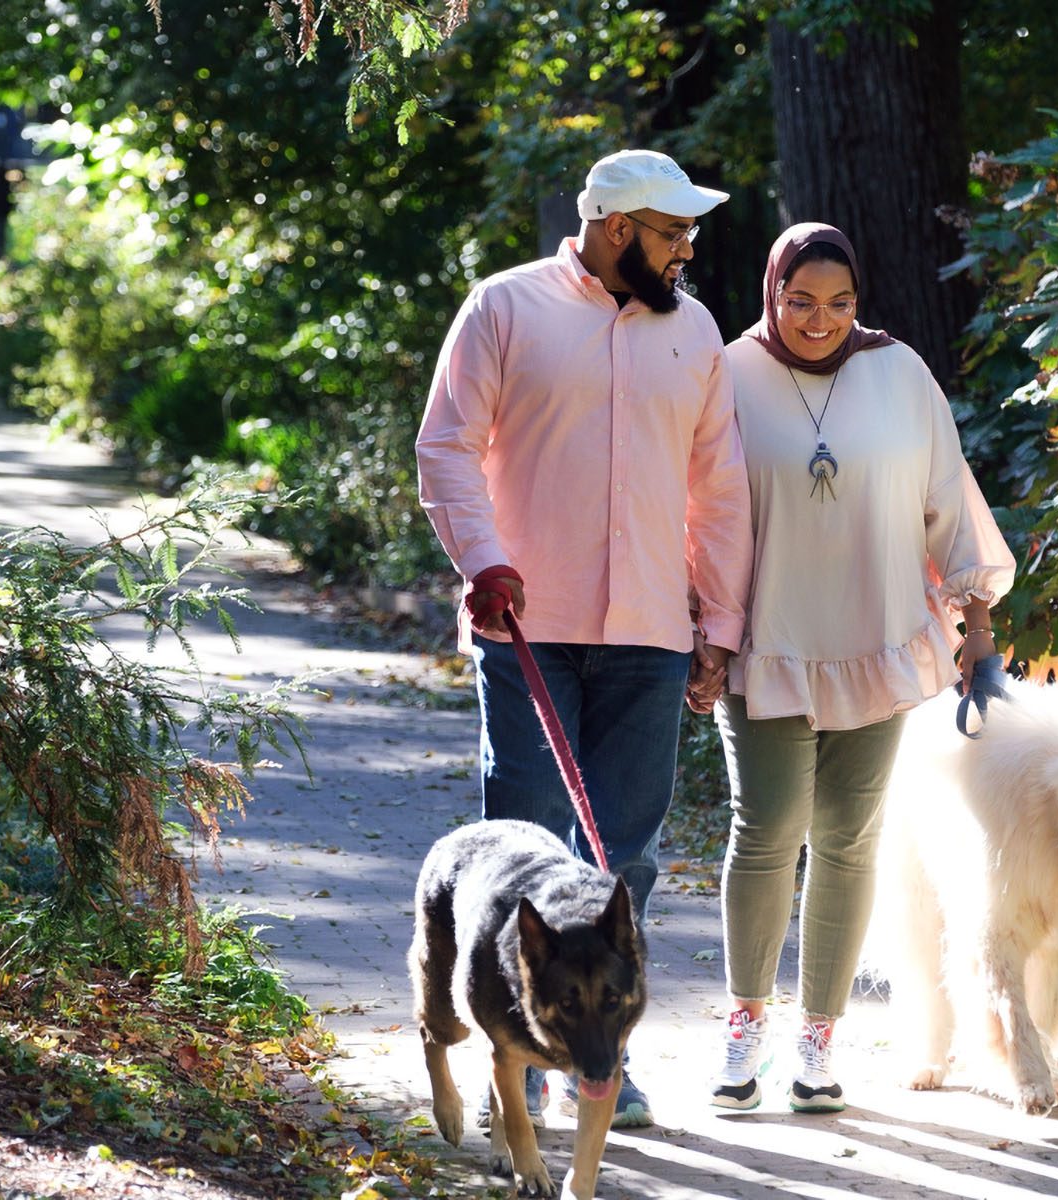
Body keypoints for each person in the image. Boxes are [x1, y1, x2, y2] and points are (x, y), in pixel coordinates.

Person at [416, 148, 754, 1129]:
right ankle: (514, 1063)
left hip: (649, 631)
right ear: (617, 230)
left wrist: (717, 623)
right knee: (519, 856)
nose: (689, 248)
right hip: (527, 625)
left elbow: (719, 487)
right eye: (674, 231)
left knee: (622, 859)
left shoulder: (693, 330)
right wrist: (482, 559)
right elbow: (446, 445)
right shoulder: (505, 308)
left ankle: (597, 1061)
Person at [694, 222, 1015, 1114]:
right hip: (771, 639)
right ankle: (744, 1026)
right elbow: (701, 510)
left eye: (839, 303)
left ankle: (818, 1041)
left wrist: (976, 625)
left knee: (848, 840)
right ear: (773, 294)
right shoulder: (729, 373)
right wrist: (705, 632)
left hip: (880, 638)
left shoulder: (900, 372)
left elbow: (947, 498)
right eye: (801, 301)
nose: (820, 320)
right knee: (765, 830)